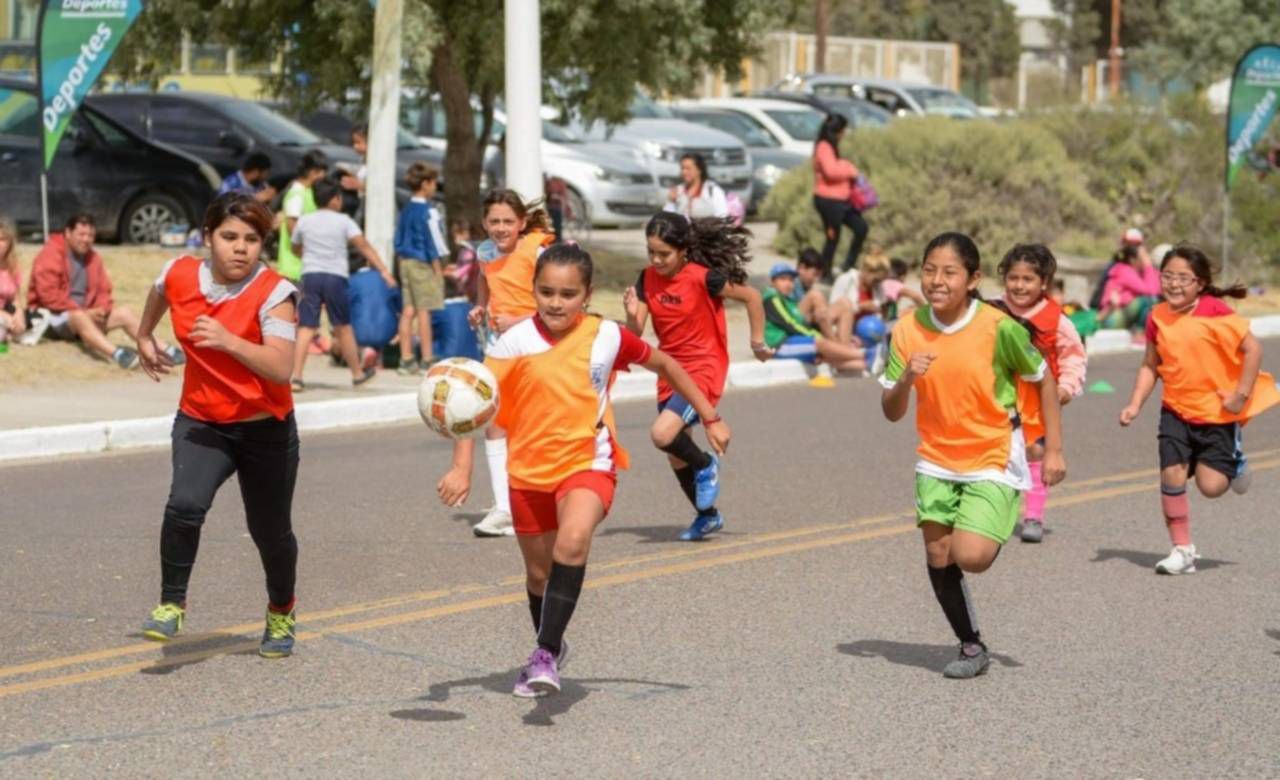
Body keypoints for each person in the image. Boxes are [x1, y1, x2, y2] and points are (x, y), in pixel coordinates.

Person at [437, 243, 731, 697]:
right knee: (539, 575)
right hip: (528, 471)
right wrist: (462, 468)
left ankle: (545, 653)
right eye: (547, 291)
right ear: (534, 291)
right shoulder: (513, 342)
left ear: (587, 295)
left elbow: (666, 363)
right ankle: (550, 645)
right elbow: (474, 403)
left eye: (568, 294)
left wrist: (709, 417)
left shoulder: (606, 336)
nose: (556, 302)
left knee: (573, 542)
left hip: (587, 463)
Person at [879, 232, 1065, 679]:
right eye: (928, 270)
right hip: (935, 458)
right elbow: (891, 411)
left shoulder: (998, 328)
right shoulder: (906, 328)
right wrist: (906, 378)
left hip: (992, 453)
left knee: (972, 556)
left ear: (973, 278)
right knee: (939, 556)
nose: (936, 280)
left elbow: (1044, 380)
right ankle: (970, 646)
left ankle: (994, 518)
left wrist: (1054, 449)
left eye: (949, 272)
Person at [133, 193, 303, 658]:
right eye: (229, 237)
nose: (240, 248)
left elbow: (281, 366)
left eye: (252, 239)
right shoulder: (181, 273)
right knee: (185, 503)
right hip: (202, 420)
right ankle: (171, 604)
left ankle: (281, 610)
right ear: (208, 237)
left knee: (270, 531)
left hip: (264, 429)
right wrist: (144, 334)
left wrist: (230, 341)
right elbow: (160, 291)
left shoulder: (275, 293)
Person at [1118, 245, 1279, 575]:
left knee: (1211, 487)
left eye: (1182, 278)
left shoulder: (1215, 312)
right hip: (1175, 410)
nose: (1173, 284)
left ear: (1200, 283)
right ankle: (1182, 549)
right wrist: (1135, 404)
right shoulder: (1157, 316)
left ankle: (1234, 461)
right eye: (1167, 276)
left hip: (1217, 414)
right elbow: (1151, 365)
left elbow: (1253, 349)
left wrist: (1240, 395)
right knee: (1171, 473)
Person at [623, 212, 771, 541]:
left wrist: (757, 342)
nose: (657, 260)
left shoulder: (703, 278)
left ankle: (705, 465)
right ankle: (707, 516)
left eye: (664, 253)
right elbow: (635, 334)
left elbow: (752, 297)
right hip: (670, 371)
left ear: (684, 250)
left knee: (663, 434)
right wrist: (632, 317)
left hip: (703, 367)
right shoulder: (646, 279)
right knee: (676, 453)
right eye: (651, 252)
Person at [465, 189, 557, 538]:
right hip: (498, 346)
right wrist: (480, 307)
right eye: (493, 221)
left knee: (535, 423)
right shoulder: (485, 252)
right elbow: (484, 281)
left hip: (536, 344)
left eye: (507, 221)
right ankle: (505, 508)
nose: (500, 228)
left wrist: (518, 320)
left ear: (521, 222)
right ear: (484, 223)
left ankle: (544, 497)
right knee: (495, 423)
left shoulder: (539, 250)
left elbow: (556, 302)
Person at [997, 244, 1087, 543]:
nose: (1019, 285)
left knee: (1035, 450)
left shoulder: (1055, 319)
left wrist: (1067, 386)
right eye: (1013, 278)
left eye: (1028, 279)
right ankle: (994, 510)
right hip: (998, 397)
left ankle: (1033, 516)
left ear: (1043, 283)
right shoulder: (992, 311)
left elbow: (1073, 354)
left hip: (1038, 399)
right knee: (999, 452)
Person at [26, 213, 180, 369]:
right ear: (67, 233)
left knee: (124, 313)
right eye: (81, 234)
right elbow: (48, 296)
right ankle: (118, 354)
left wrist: (101, 309)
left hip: (86, 316)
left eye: (90, 235)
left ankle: (163, 349)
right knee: (79, 316)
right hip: (52, 318)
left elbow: (104, 290)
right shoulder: (50, 254)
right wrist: (85, 312)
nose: (86, 239)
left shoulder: (93, 257)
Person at [289, 179, 396, 390]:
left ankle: (297, 377)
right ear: (335, 199)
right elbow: (363, 246)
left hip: (310, 275)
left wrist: (308, 256)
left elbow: (295, 247)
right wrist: (384, 271)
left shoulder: (304, 221)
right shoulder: (344, 221)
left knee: (306, 326)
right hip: (335, 277)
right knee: (343, 326)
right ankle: (357, 374)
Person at [763, 262, 865, 388]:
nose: (788, 283)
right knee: (821, 344)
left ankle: (865, 361)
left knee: (844, 361)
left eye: (790, 280)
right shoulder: (772, 298)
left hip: (791, 341)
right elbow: (789, 324)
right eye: (783, 279)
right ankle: (864, 354)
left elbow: (798, 324)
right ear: (773, 282)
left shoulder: (788, 300)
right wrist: (816, 336)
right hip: (778, 345)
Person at [393, 163, 448, 375]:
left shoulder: (405, 210)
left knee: (408, 310)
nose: (435, 187)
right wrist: (438, 267)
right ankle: (427, 357)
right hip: (423, 262)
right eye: (433, 183)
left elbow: (397, 239)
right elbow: (434, 241)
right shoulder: (429, 211)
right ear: (425, 184)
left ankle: (405, 358)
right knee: (425, 309)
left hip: (404, 261)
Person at [830, 248, 925, 366]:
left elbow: (882, 319)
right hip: (846, 333)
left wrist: (883, 310)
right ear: (866, 271)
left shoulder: (878, 287)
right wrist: (860, 307)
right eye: (875, 280)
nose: (877, 284)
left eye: (880, 281)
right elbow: (833, 310)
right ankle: (851, 355)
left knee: (911, 313)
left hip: (870, 334)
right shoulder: (846, 280)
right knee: (846, 305)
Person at [812, 113, 868, 275]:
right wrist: (849, 168)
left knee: (861, 228)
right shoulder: (823, 146)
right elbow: (831, 171)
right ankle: (825, 272)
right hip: (829, 201)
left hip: (842, 201)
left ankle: (848, 264)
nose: (844, 134)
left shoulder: (831, 147)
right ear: (836, 131)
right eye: (843, 130)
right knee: (832, 238)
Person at [277, 151, 328, 282]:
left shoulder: (308, 192)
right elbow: (292, 227)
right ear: (313, 172)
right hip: (295, 269)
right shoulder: (296, 194)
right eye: (322, 171)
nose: (325, 176)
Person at [664, 152, 730, 219]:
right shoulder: (677, 191)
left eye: (688, 168)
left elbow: (723, 217)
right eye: (682, 168)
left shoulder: (713, 191)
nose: (684, 172)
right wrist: (671, 202)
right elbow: (666, 220)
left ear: (699, 170)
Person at [792, 248, 838, 338]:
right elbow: (788, 313)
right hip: (793, 324)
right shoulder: (791, 284)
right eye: (815, 274)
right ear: (801, 268)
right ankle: (836, 344)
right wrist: (812, 317)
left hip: (806, 323)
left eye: (819, 276)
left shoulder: (806, 287)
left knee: (843, 304)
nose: (817, 280)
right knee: (815, 295)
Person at [0, 217, 26, 345]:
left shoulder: (13, 267)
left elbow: (15, 298)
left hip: (6, 313)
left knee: (42, 316)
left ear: (9, 242)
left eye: (2, 240)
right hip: (2, 315)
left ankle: (9, 334)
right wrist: (4, 315)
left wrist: (18, 315)